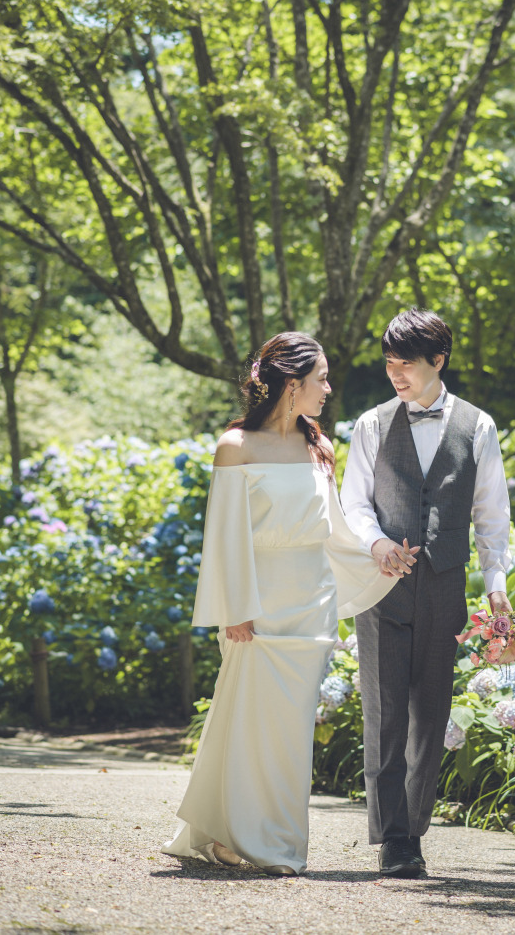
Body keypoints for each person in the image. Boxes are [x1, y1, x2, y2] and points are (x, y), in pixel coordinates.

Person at [162, 332, 397, 875]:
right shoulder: (235, 446)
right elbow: (224, 536)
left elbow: (334, 532)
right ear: (292, 386)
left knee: (291, 734)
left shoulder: (320, 448)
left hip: (310, 606)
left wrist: (378, 557)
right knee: (246, 721)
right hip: (257, 605)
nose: (328, 389)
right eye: (321, 380)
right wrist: (234, 607)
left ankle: (273, 840)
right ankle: (236, 836)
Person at [340, 308, 512, 879]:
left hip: (445, 586)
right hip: (381, 586)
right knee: (385, 712)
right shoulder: (369, 425)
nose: (395, 373)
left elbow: (491, 515)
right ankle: (394, 839)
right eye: (389, 362)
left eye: (405, 363)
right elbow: (354, 504)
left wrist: (497, 585)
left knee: (429, 714)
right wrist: (375, 544)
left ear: (438, 361)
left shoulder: (479, 426)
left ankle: (413, 828)